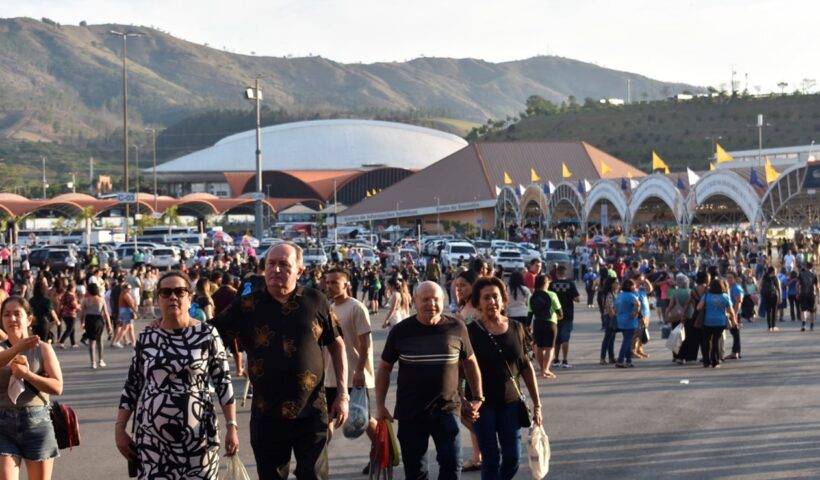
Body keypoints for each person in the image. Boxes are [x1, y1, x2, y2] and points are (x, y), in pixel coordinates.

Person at [210, 242, 348, 480]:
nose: (275, 269)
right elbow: (208, 333)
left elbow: (337, 344)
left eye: (284, 264)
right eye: (271, 264)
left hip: (312, 411)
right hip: (267, 415)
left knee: (314, 475)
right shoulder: (247, 305)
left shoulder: (316, 300)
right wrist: (171, 322)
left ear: (299, 271)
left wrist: (343, 394)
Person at [116, 271, 238, 479]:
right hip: (153, 442)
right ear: (158, 300)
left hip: (199, 440)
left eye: (180, 292)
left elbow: (223, 383)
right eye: (166, 292)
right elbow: (132, 385)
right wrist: (120, 428)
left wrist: (231, 426)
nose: (173, 297)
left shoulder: (207, 334)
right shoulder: (148, 337)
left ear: (189, 298)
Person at [375, 281, 483, 480]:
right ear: (414, 301)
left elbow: (470, 362)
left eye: (435, 299)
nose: (430, 304)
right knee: (416, 471)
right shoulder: (400, 331)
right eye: (425, 299)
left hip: (448, 410)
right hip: (411, 413)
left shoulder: (456, 327)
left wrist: (478, 397)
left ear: (443, 301)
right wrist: (380, 405)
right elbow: (384, 368)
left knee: (452, 465)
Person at [466, 276, 541, 480]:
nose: (492, 301)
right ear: (478, 302)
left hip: (510, 403)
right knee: (490, 459)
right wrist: (464, 402)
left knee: (512, 458)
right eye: (486, 297)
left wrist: (537, 404)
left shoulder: (517, 328)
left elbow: (526, 367)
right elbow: (459, 369)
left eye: (496, 296)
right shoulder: (469, 332)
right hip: (482, 406)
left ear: (503, 299)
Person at [0, 296, 63, 480]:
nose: (11, 319)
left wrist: (28, 375)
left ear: (29, 319)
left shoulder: (43, 348)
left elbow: (58, 386)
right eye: (6, 315)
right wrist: (16, 348)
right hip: (2, 423)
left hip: (36, 422)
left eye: (17, 314)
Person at [323, 269, 377, 473]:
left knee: (362, 417)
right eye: (327, 283)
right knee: (327, 418)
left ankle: (380, 449)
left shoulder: (357, 308)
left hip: (354, 375)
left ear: (346, 284)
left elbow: (366, 344)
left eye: (335, 282)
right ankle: (316, 459)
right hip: (330, 376)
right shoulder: (328, 308)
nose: (330, 286)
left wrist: (361, 370)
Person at [697, 279, 737, 368]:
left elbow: (698, 307)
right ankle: (715, 361)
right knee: (716, 341)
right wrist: (734, 321)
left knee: (706, 341)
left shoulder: (706, 296)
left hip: (707, 321)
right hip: (720, 322)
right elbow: (731, 311)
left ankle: (706, 361)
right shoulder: (725, 297)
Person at [528, 275, 562, 378]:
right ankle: (545, 369)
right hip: (550, 323)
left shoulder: (532, 296)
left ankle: (542, 369)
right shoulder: (552, 295)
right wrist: (558, 317)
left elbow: (530, 313)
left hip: (537, 323)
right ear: (545, 283)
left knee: (539, 347)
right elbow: (559, 312)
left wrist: (527, 326)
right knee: (549, 348)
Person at [549, 265, 580, 368]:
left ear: (557, 273)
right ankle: (565, 360)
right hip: (568, 314)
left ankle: (556, 359)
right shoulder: (570, 284)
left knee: (556, 338)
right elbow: (577, 299)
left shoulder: (552, 284)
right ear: (565, 273)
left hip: (554, 314)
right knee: (565, 338)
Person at [79, 282, 113, 369]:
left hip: (89, 320)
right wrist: (109, 325)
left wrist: (81, 323)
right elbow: (106, 314)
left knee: (91, 341)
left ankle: (92, 362)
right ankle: (101, 360)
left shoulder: (85, 300)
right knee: (100, 340)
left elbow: (82, 313)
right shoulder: (101, 299)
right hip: (98, 320)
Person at [614, 279, 641, 368]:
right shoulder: (632, 296)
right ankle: (620, 360)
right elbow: (638, 304)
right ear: (631, 286)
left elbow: (615, 307)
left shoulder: (619, 295)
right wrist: (636, 312)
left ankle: (628, 360)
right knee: (627, 341)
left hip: (621, 319)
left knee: (627, 340)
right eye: (633, 285)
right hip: (630, 321)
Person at [599, 280, 620, 365]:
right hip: (610, 317)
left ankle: (611, 357)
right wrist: (614, 316)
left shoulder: (614, 293)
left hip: (612, 317)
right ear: (611, 284)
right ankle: (602, 358)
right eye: (616, 283)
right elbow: (609, 308)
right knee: (607, 338)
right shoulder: (609, 295)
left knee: (612, 338)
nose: (618, 284)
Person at [57, 278, 79, 349]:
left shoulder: (65, 294)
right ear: (72, 288)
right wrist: (79, 306)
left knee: (72, 328)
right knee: (70, 328)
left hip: (65, 313)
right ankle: (61, 341)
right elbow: (74, 305)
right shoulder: (71, 296)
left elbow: (62, 302)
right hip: (71, 314)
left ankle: (73, 343)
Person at [725, 272, 743, 360]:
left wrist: (734, 316)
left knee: (735, 333)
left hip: (735, 313)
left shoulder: (736, 288)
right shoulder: (731, 287)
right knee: (735, 333)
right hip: (732, 313)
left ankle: (735, 352)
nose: (728, 280)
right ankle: (736, 351)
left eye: (730, 278)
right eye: (727, 278)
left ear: (735, 279)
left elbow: (738, 302)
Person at [759, 267, 781, 332]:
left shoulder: (764, 277)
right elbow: (779, 288)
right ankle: (773, 326)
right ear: (773, 271)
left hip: (766, 296)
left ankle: (769, 327)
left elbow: (760, 286)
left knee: (768, 311)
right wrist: (780, 297)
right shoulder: (775, 278)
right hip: (773, 296)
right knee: (774, 311)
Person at [797, 262, 818, 332]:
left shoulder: (801, 274)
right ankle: (811, 326)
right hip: (812, 294)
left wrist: (798, 293)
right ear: (812, 267)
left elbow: (798, 285)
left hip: (803, 293)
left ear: (806, 267)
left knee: (803, 310)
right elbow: (817, 286)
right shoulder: (814, 275)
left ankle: (804, 324)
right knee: (812, 311)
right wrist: (819, 296)